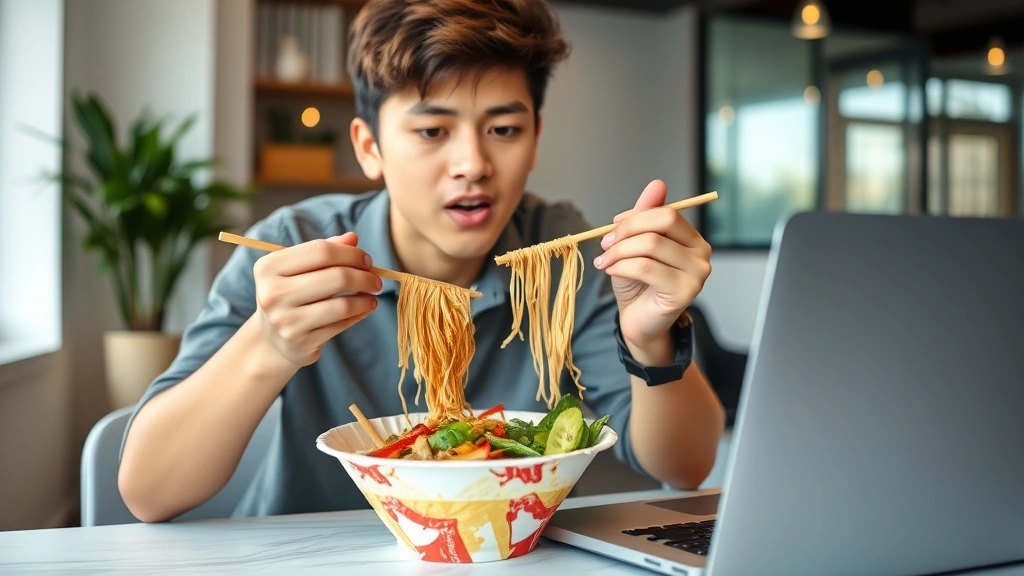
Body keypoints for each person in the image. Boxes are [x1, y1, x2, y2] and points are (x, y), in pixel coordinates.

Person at [118, 0, 725, 523]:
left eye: (504, 129)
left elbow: (686, 467)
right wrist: (269, 345)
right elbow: (148, 491)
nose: (472, 164)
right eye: (433, 131)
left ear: (536, 137)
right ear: (368, 147)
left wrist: (651, 339)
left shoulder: (568, 257)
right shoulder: (295, 244)